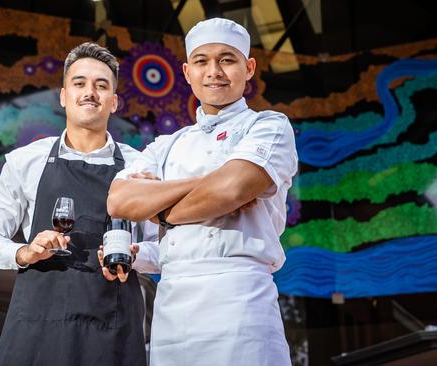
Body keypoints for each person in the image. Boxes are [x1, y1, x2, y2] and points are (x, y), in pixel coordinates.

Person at [107, 18, 297, 365]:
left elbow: (233, 187)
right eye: (202, 61)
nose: (214, 71)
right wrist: (212, 183)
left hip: (240, 300)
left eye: (227, 59)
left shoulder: (268, 125)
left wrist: (161, 207)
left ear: (249, 68)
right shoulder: (166, 145)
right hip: (172, 309)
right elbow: (119, 200)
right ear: (186, 71)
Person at [0, 42, 158, 366]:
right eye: (80, 83)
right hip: (35, 329)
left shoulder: (139, 167)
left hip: (112, 333)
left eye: (102, 86)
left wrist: (137, 255)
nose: (90, 92)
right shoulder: (25, 161)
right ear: (62, 96)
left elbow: (165, 250)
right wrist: (24, 252)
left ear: (114, 102)